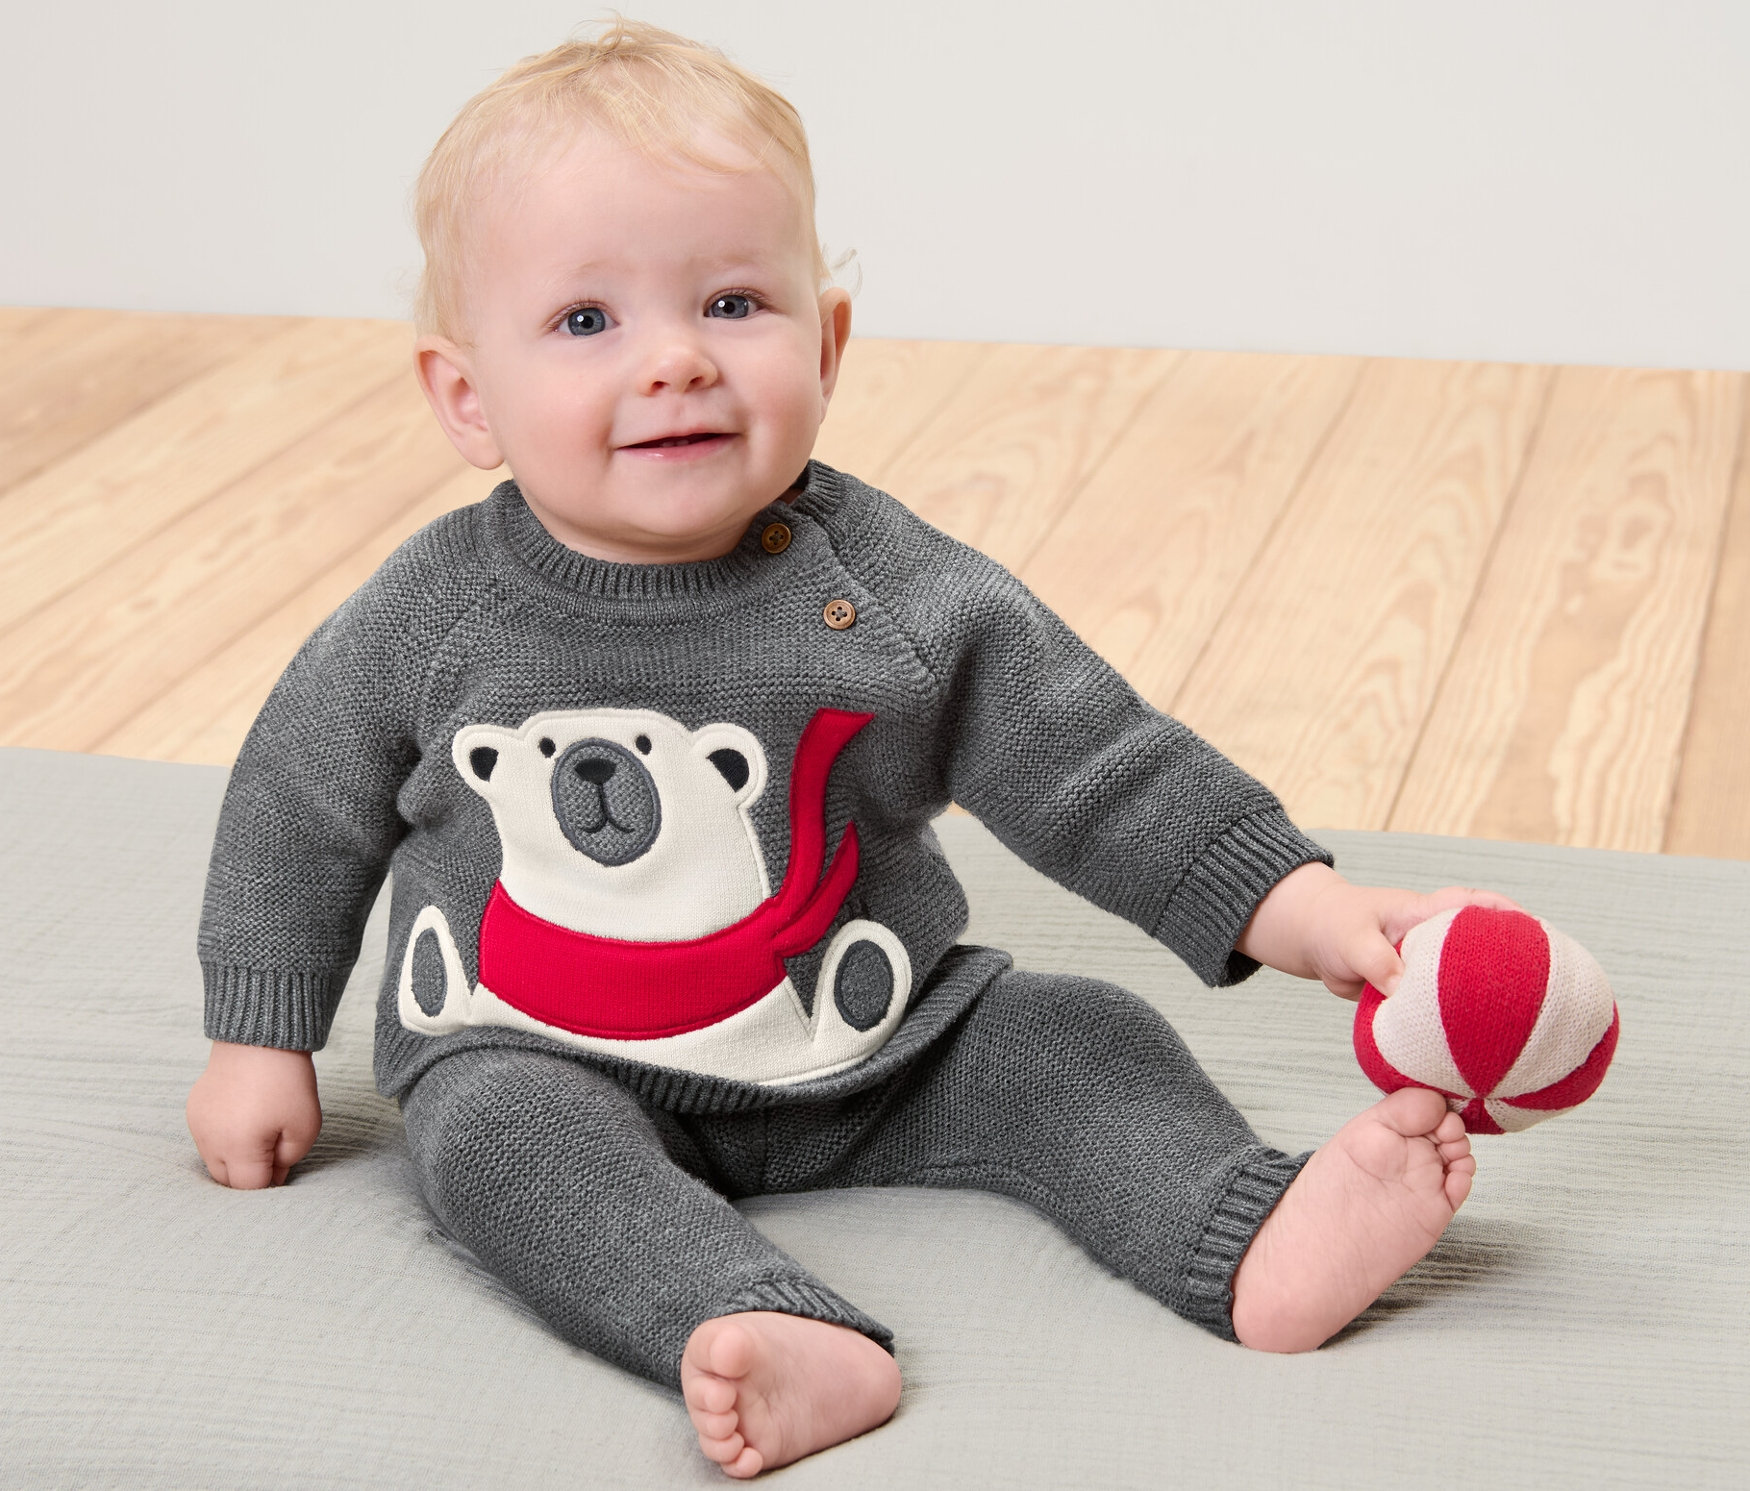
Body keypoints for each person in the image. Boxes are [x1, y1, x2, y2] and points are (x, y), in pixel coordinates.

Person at [185, 21, 1506, 1479]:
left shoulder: (885, 590)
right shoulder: (433, 616)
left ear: (824, 345)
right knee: (493, 1151)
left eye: (733, 302)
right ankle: (751, 1321)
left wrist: (1296, 904)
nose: (676, 360)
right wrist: (262, 1030)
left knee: (1078, 1036)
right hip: (545, 1050)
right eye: (584, 323)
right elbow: (296, 806)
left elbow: (1091, 759)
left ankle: (1246, 1229)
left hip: (880, 1038)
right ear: (465, 398)